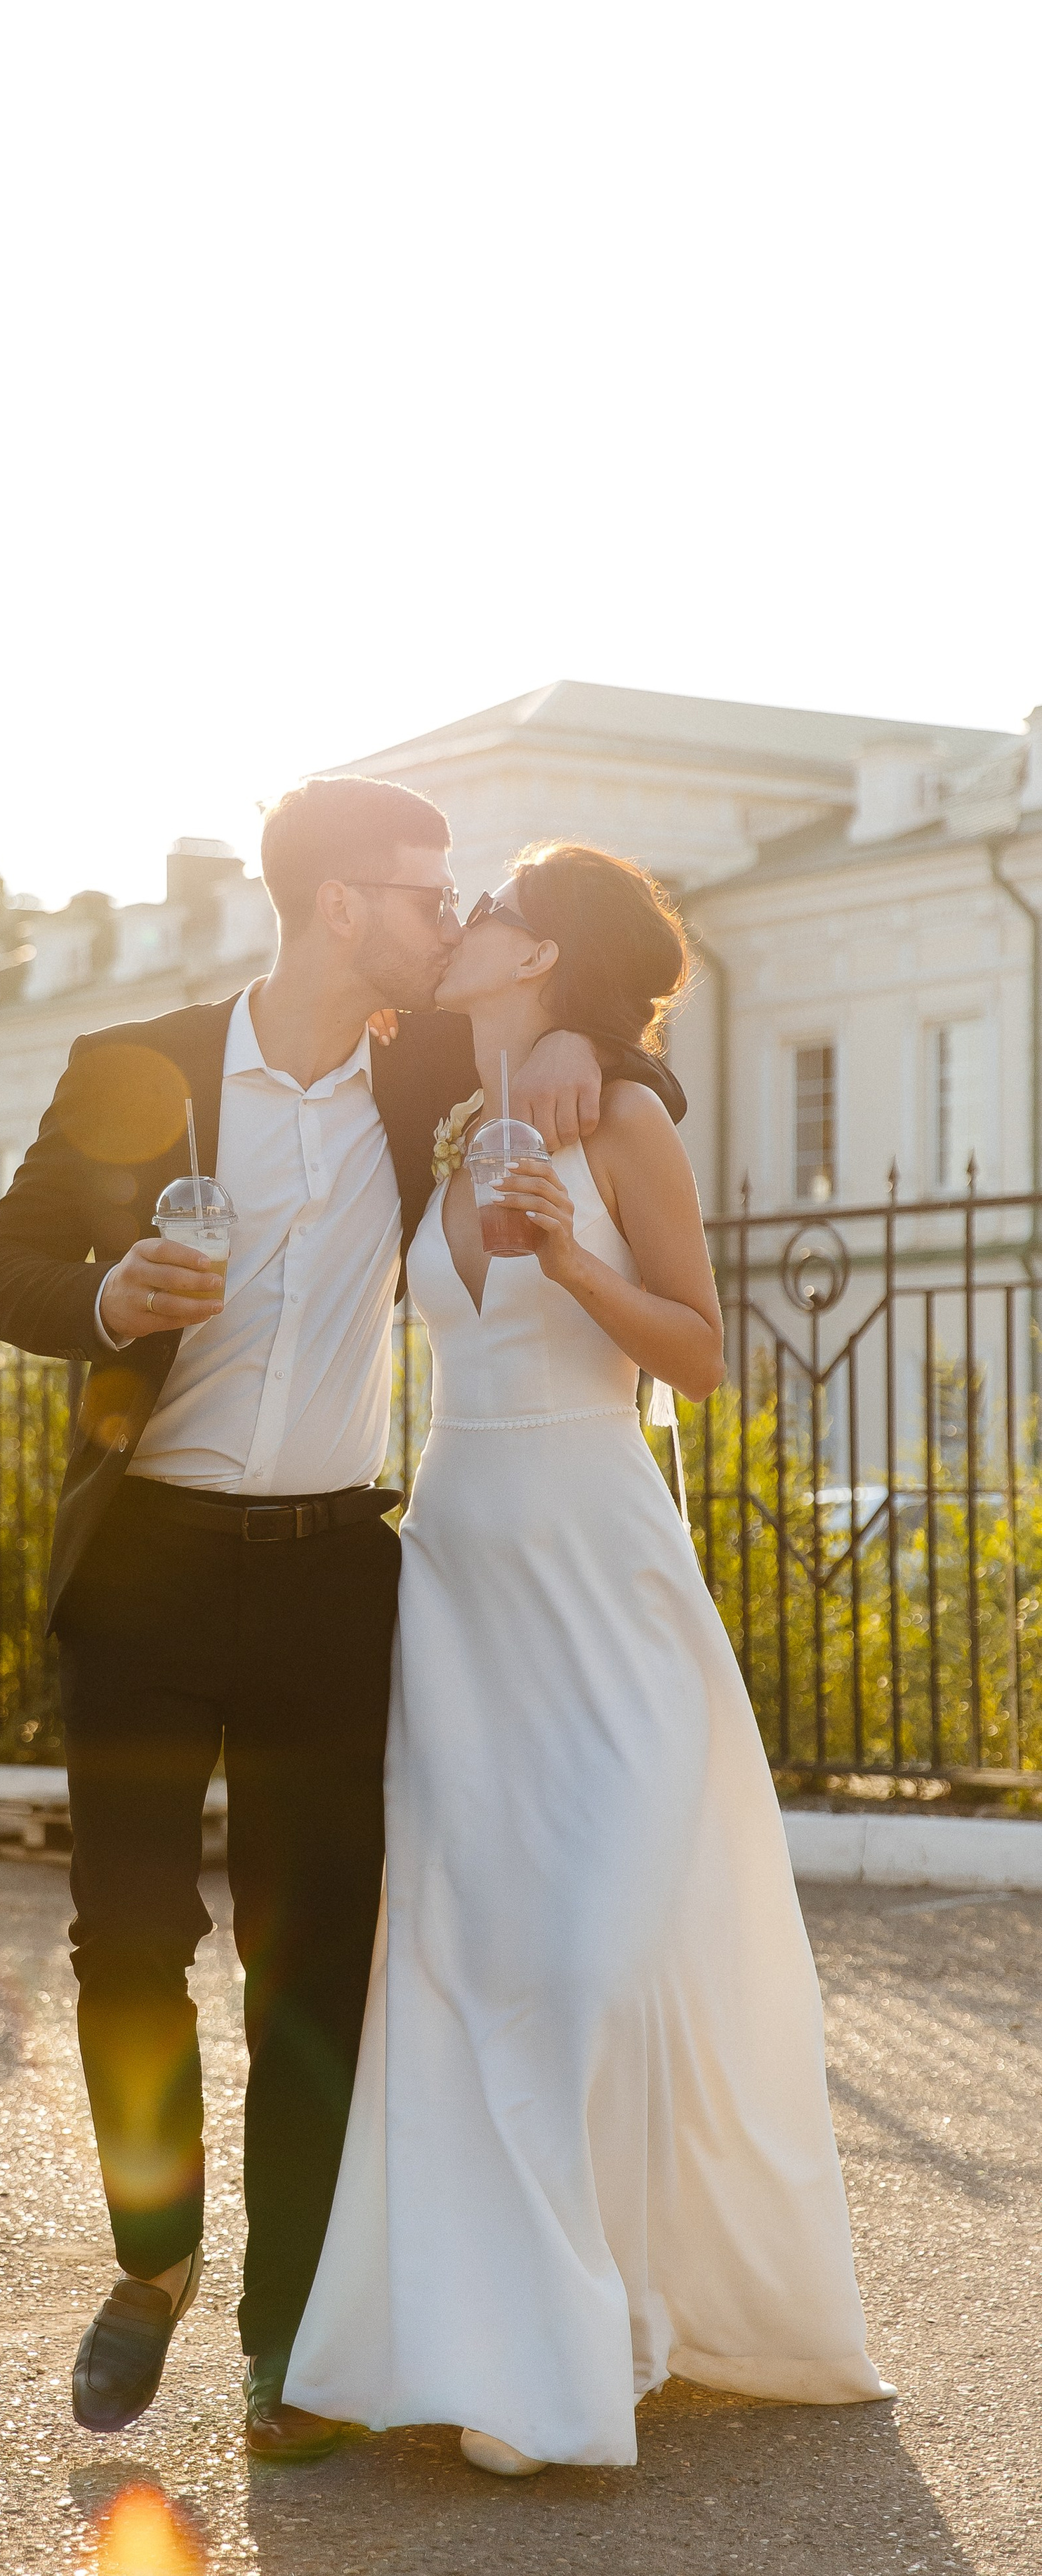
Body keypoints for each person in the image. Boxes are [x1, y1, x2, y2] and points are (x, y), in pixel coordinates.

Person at [0, 780, 687, 2459]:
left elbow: (594, 1045)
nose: (449, 921)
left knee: (313, 1964)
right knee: (128, 1941)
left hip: (328, 1578)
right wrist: (97, 1297)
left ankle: (285, 2344)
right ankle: (153, 2263)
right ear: (339, 905)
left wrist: (605, 1056)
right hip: (141, 1562)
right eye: (427, 895)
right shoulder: (129, 1064)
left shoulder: (427, 1067)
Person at [282, 842, 892, 2472]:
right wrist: (551, 1050)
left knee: (583, 1958)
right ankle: (496, 2340)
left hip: (598, 1565)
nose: (456, 913)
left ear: (541, 948)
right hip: (463, 1574)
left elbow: (698, 1353)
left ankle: (587, 2328)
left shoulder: (616, 1118)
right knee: (466, 1952)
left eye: (485, 903)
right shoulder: (442, 1110)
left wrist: (570, 1258)